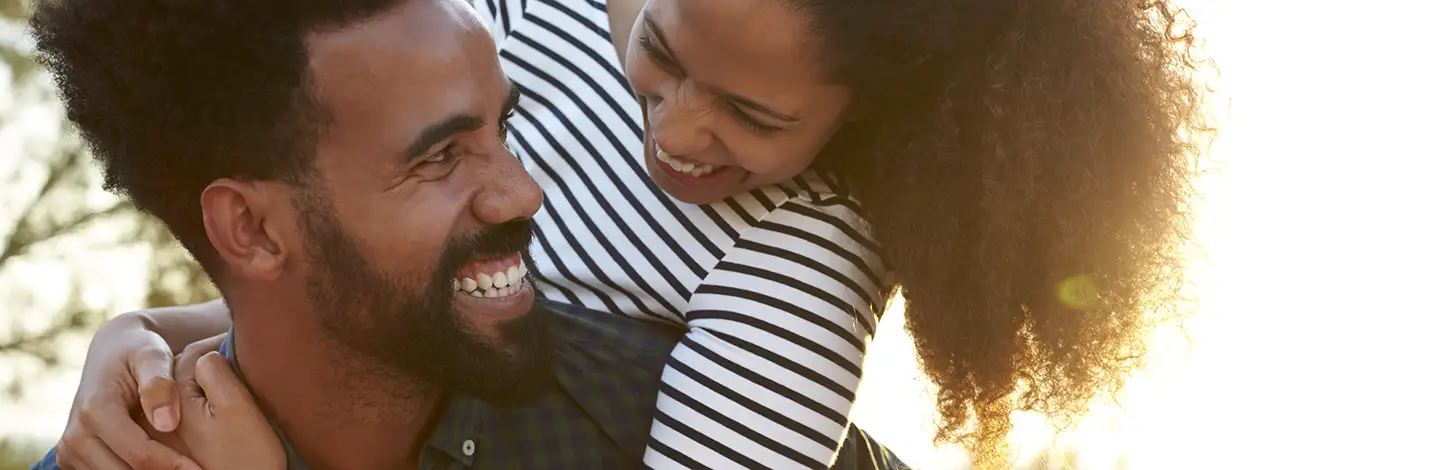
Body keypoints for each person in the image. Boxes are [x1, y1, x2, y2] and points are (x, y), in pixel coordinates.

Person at [47, 0, 1206, 466]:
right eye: (658, 42)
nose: (675, 128)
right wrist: (148, 334)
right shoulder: (529, 21)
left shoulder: (800, 256)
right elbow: (356, 266)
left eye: (751, 114)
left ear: (864, 119)